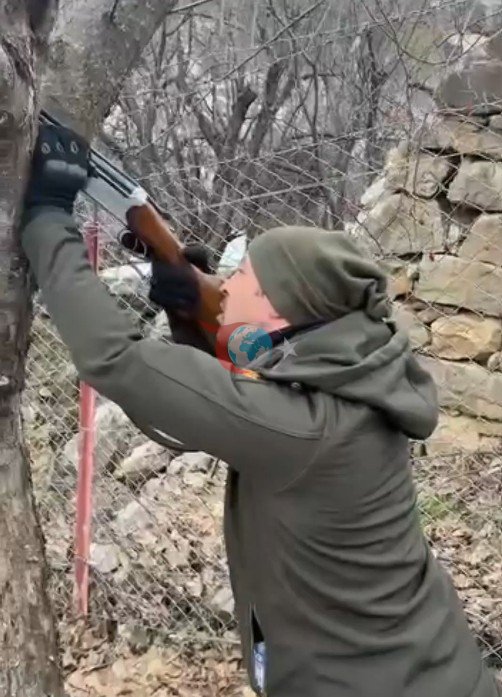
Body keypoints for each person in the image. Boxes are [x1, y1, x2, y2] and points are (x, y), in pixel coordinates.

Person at [21, 124, 501, 697]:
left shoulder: (304, 429)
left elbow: (116, 359)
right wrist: (186, 308)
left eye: (243, 277)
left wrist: (47, 218)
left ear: (280, 312)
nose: (224, 284)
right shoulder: (352, 374)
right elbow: (250, 381)